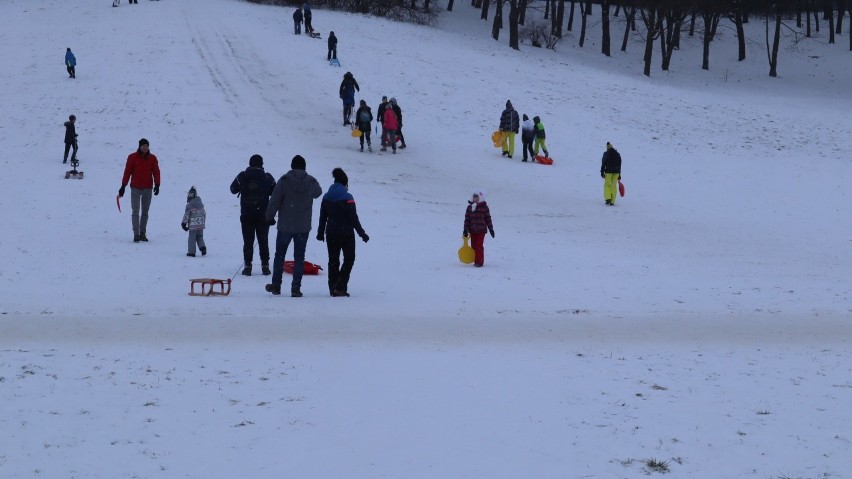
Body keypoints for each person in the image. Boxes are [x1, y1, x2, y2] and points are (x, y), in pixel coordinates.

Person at [265, 155, 322, 297]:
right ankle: (295, 288)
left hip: (285, 225)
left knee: (279, 256)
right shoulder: (310, 181)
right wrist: (310, 181)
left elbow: (274, 201)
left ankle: (276, 285)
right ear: (304, 167)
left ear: (291, 166)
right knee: (299, 258)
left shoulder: (284, 180)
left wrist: (269, 217)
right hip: (303, 226)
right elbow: (318, 192)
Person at [316, 168, 369, 297]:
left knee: (333, 261)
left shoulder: (326, 197)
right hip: (346, 233)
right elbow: (353, 218)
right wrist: (362, 233)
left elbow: (323, 217)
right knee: (349, 259)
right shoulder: (347, 197)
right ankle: (339, 287)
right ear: (345, 183)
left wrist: (320, 232)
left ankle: (333, 288)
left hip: (331, 232)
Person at [230, 154, 276, 276]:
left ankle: (248, 266)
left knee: (248, 241)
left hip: (246, 214)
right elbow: (275, 192)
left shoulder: (242, 176)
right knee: (263, 240)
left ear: (250, 164)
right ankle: (265, 266)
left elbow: (232, 189)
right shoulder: (268, 177)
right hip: (263, 215)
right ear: (262, 164)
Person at [118, 138, 161, 243]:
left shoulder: (152, 158)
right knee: (135, 211)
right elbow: (127, 172)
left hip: (148, 187)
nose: (145, 147)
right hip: (135, 187)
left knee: (145, 212)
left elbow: (156, 172)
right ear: (139, 146)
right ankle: (136, 234)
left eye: (146, 145)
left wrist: (157, 184)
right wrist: (123, 186)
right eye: (143, 146)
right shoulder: (132, 157)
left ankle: (143, 233)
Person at [463, 191, 494, 268]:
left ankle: (479, 262)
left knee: (479, 246)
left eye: (477, 198)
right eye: (474, 198)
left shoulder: (484, 207)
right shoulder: (470, 207)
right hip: (472, 230)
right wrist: (465, 229)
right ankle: (475, 261)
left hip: (481, 230)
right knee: (473, 246)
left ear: (480, 198)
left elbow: (488, 219)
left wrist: (491, 229)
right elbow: (467, 219)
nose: (475, 199)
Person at [181, 186, 207, 257]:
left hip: (193, 226)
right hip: (201, 224)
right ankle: (203, 248)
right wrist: (203, 222)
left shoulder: (189, 205)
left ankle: (191, 252)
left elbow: (186, 215)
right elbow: (204, 213)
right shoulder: (201, 204)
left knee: (192, 238)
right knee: (200, 236)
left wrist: (183, 223)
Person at [600, 142, 622, 206]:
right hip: (616, 172)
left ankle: (608, 198)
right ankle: (612, 201)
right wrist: (619, 174)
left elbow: (603, 164)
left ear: (607, 148)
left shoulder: (606, 154)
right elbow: (619, 164)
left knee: (607, 185)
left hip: (608, 172)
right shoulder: (618, 154)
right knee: (613, 186)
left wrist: (602, 172)